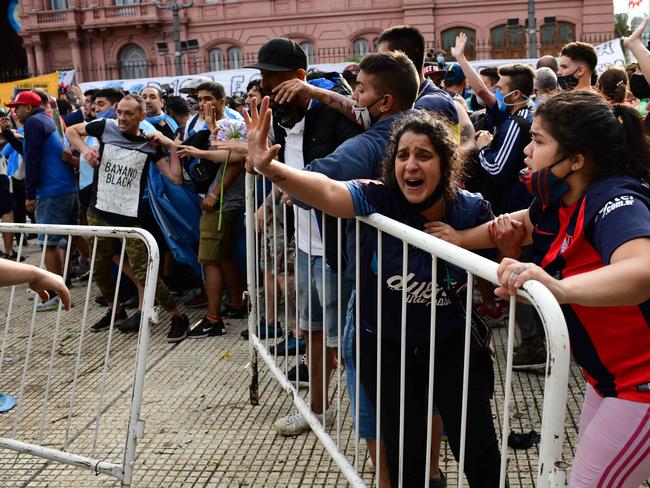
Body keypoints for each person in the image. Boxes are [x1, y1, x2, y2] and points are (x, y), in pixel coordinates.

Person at [246, 98, 502, 487]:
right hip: (385, 349)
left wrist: (469, 243)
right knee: (405, 462)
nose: (411, 165)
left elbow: (503, 263)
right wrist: (270, 167)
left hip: (451, 345)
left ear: (446, 163)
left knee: (480, 454)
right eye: (402, 155)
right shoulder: (377, 198)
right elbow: (327, 191)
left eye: (424, 155)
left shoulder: (468, 209)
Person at [446, 90, 650, 487]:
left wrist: (558, 288)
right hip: (609, 381)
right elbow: (511, 225)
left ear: (576, 159)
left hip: (640, 386)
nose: (525, 149)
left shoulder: (616, 199)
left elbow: (642, 271)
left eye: (538, 141)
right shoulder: (559, 200)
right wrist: (455, 239)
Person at [65, 94, 190, 342]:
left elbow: (176, 177)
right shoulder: (105, 127)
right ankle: (117, 310)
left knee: (145, 273)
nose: (121, 118)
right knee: (99, 271)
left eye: (128, 114)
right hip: (98, 212)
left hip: (130, 219)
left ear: (141, 117)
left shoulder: (149, 144)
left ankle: (177, 317)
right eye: (119, 112)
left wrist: (170, 145)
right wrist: (86, 151)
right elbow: (70, 131)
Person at [1, 91, 78, 311]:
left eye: (17, 107)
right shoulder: (42, 119)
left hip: (51, 190)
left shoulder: (34, 122)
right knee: (73, 234)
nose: (14, 112)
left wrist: (30, 195)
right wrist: (8, 134)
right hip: (64, 187)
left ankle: (54, 293)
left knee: (47, 243)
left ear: (28, 107)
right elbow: (28, 151)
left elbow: (32, 160)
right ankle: (69, 276)